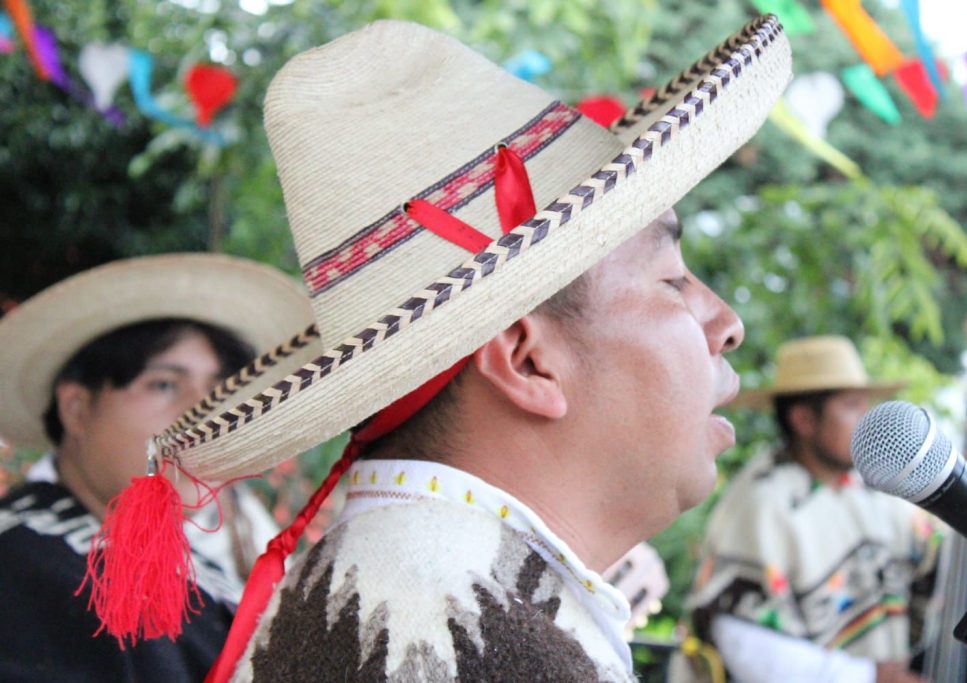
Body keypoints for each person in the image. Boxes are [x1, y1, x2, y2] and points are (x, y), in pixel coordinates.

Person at [125, 16, 792, 682]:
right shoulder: (476, 645)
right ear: (528, 359)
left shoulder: (382, 592)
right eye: (672, 279)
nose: (727, 323)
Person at [0, 253, 314, 682]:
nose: (205, 415)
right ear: (76, 408)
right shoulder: (23, 567)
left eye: (219, 390)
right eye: (164, 384)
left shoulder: (183, 556)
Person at [688, 336, 942, 683]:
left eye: (865, 404)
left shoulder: (872, 489)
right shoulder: (763, 501)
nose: (866, 419)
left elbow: (935, 561)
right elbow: (738, 637)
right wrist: (865, 677)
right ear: (804, 419)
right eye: (852, 406)